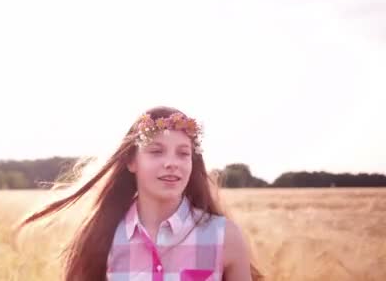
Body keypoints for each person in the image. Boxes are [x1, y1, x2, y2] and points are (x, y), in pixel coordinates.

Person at [17, 106, 264, 281]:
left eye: (183, 153)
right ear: (131, 162)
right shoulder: (100, 237)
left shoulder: (224, 237)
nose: (172, 163)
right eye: (156, 151)